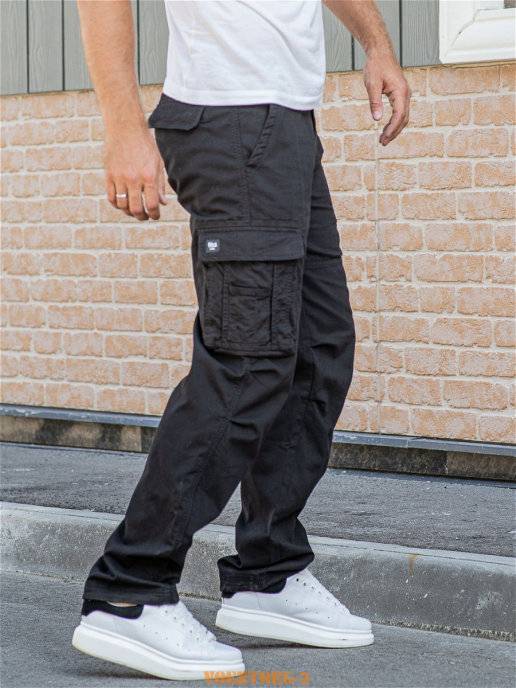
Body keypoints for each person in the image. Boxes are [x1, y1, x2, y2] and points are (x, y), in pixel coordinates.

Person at [72, 0, 410, 681]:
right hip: (230, 121)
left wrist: (376, 43)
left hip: (287, 124)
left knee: (317, 349)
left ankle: (268, 572)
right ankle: (130, 589)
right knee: (247, 361)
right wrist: (124, 127)